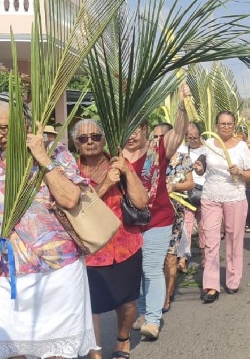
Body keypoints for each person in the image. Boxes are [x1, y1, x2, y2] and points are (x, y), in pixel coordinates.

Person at [0, 93, 98, 357]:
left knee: (57, 352)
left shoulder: (54, 151)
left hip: (57, 268)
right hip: (8, 272)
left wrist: (41, 156)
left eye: (3, 127)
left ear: (24, 123)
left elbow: (71, 198)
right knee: (8, 348)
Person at [72, 119, 149, 359]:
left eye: (95, 137)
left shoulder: (119, 164)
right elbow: (75, 207)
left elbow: (142, 202)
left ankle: (122, 340)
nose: (90, 142)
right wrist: (106, 184)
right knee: (90, 307)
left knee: (127, 302)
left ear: (104, 140)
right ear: (76, 144)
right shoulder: (70, 171)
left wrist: (126, 171)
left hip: (125, 245)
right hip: (90, 250)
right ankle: (94, 351)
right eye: (84, 139)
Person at [125, 84, 189, 339]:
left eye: (136, 129)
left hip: (158, 219)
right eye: (126, 130)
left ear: (144, 129)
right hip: (128, 223)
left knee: (151, 267)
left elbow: (180, 131)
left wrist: (182, 104)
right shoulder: (117, 155)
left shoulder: (158, 147)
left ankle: (153, 319)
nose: (131, 136)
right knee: (137, 270)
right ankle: (142, 312)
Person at [198, 111, 250, 302]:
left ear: (234, 125)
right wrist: (199, 167)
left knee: (234, 238)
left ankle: (233, 279)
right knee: (211, 240)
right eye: (222, 124)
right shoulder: (207, 145)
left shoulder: (241, 147)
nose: (226, 127)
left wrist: (239, 171)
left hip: (235, 197)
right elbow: (202, 164)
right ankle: (211, 285)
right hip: (210, 196)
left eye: (229, 124)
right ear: (216, 125)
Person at [153, 123, 195, 314]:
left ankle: (166, 297)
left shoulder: (183, 159)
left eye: (163, 137)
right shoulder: (149, 159)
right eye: (156, 137)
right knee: (154, 259)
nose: (159, 141)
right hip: (150, 216)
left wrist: (174, 187)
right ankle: (152, 295)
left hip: (173, 213)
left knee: (170, 257)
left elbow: (189, 184)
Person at [177, 123, 207, 271]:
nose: (193, 140)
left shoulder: (208, 149)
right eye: (190, 138)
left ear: (200, 135)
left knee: (204, 226)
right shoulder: (182, 149)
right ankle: (183, 257)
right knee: (186, 225)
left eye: (195, 137)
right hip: (187, 192)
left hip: (206, 192)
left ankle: (204, 255)